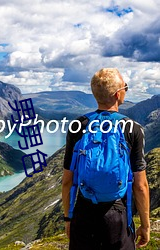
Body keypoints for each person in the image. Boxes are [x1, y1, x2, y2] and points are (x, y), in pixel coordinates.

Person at [62, 68, 150, 250]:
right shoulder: (132, 129)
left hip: (84, 212)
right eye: (126, 87)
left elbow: (67, 181)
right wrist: (145, 225)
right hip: (117, 215)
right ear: (118, 94)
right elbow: (140, 185)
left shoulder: (78, 125)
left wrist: (68, 218)